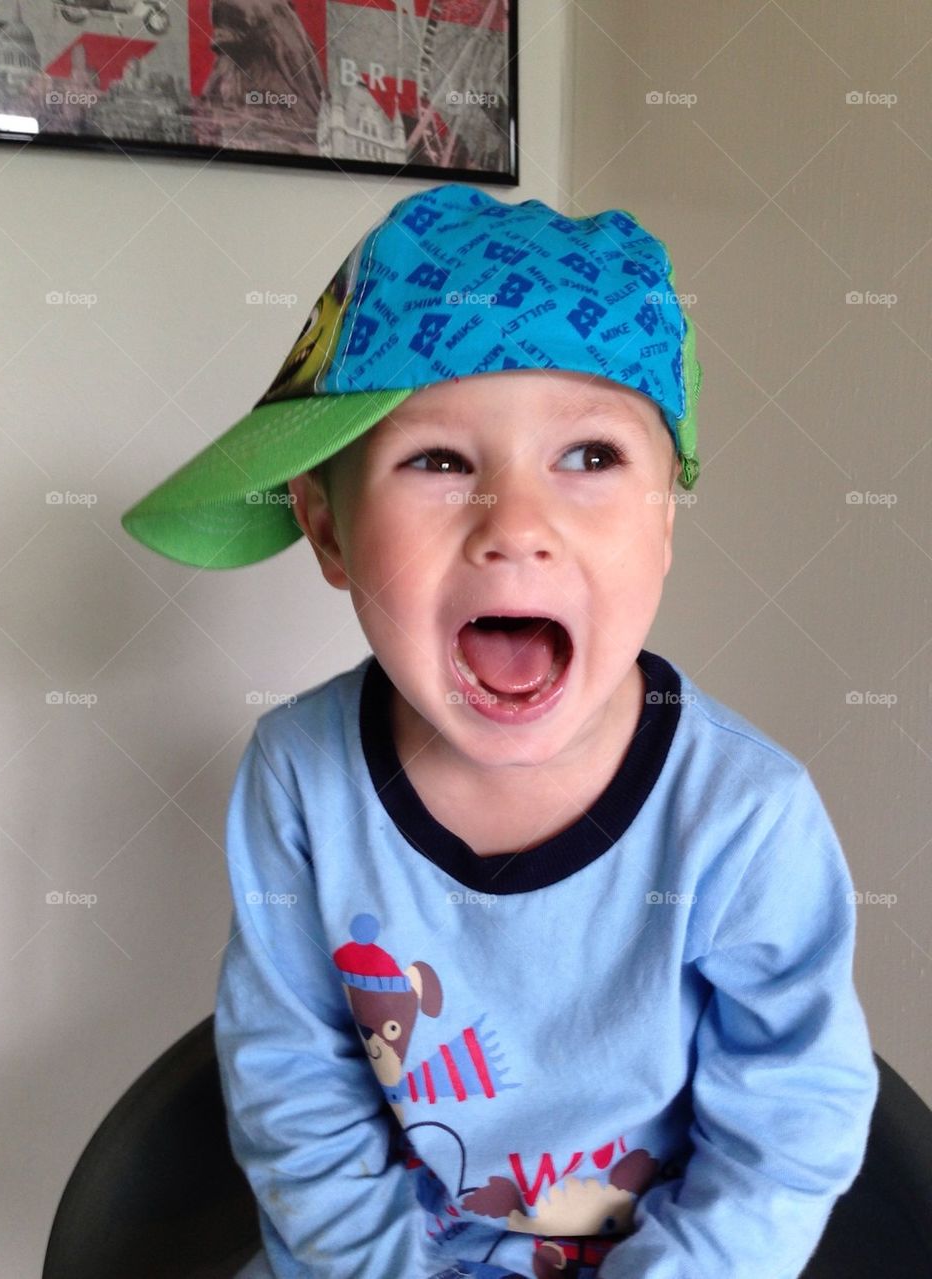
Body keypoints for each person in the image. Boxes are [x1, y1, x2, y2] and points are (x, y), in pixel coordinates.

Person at [121, 184, 880, 1279]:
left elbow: (788, 1130)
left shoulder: (744, 817)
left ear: (668, 515)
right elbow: (296, 1087)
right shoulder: (301, 777)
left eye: (590, 458)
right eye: (438, 461)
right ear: (326, 524)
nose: (517, 527)